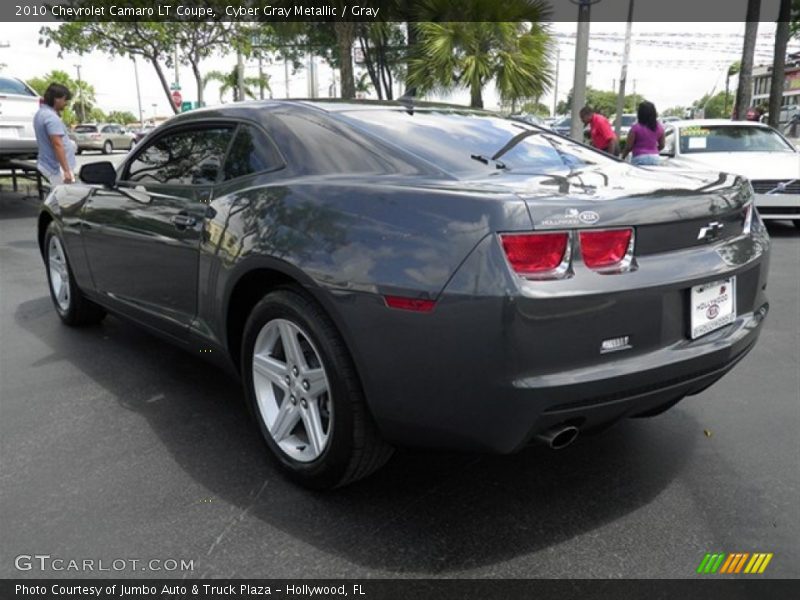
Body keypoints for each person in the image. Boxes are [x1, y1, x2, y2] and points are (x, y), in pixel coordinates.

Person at [33, 83, 77, 186]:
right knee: (64, 195)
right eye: (65, 100)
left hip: (48, 164)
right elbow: (57, 144)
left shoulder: (40, 113)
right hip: (57, 169)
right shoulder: (51, 117)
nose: (66, 103)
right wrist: (66, 170)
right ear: (56, 99)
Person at [621, 101, 665, 166]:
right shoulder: (660, 128)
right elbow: (662, 145)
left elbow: (629, 146)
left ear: (640, 113)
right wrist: (652, 151)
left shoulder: (635, 127)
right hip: (655, 158)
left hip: (639, 157)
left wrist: (622, 157)